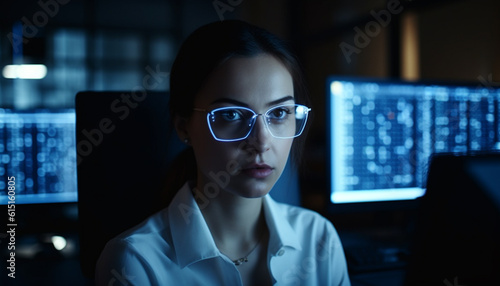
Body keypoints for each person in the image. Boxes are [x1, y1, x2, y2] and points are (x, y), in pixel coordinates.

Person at [95, 20, 350, 286]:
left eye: (279, 113)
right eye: (231, 115)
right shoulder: (135, 263)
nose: (261, 142)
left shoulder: (318, 239)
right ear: (183, 126)